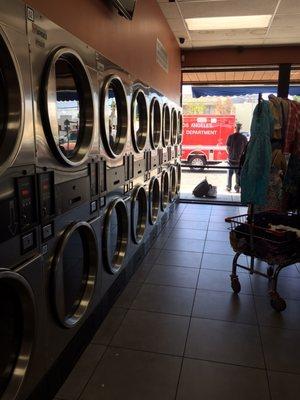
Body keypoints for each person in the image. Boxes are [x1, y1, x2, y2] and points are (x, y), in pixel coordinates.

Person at [226, 122, 248, 193]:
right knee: (238, 175)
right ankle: (237, 187)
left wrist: (230, 154)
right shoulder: (244, 138)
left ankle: (229, 187)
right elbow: (246, 149)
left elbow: (227, 147)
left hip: (231, 160)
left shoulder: (230, 137)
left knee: (229, 174)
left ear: (235, 128)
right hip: (239, 160)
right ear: (240, 129)